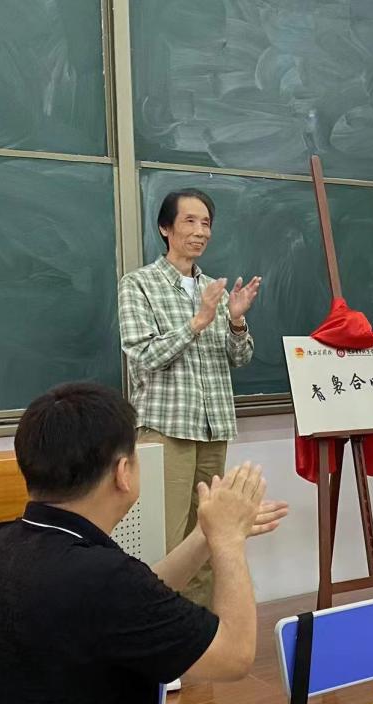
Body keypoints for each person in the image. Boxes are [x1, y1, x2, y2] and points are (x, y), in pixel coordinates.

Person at [0, 383, 287, 704]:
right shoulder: (102, 579)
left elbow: (138, 597)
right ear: (123, 473)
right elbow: (234, 655)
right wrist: (228, 541)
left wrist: (204, 538)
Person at [118, 188, 261, 607]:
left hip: (213, 427)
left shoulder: (214, 289)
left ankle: (200, 626)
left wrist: (236, 321)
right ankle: (160, 626)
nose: (200, 232)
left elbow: (240, 358)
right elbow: (143, 355)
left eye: (206, 223)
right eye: (190, 221)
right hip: (166, 428)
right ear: (166, 228)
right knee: (165, 540)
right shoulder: (139, 285)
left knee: (209, 534)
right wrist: (197, 322)